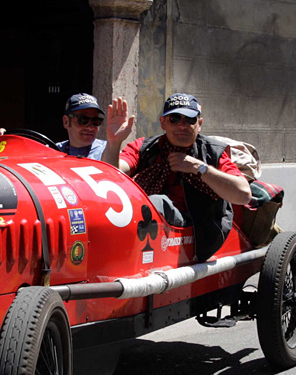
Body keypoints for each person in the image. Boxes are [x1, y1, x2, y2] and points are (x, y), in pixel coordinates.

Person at [102, 92, 252, 261]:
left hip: (200, 230)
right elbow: (110, 176)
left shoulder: (212, 153)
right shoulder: (145, 147)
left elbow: (244, 195)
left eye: (189, 120)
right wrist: (114, 142)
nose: (182, 125)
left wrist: (198, 167)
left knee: (157, 203)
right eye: (174, 119)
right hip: (148, 229)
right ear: (163, 123)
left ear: (199, 124)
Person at [0, 93, 130, 160]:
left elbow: (117, 177)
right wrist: (0, 146)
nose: (90, 126)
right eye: (83, 120)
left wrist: (115, 142)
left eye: (96, 121)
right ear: (66, 122)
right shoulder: (51, 151)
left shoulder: (108, 151)